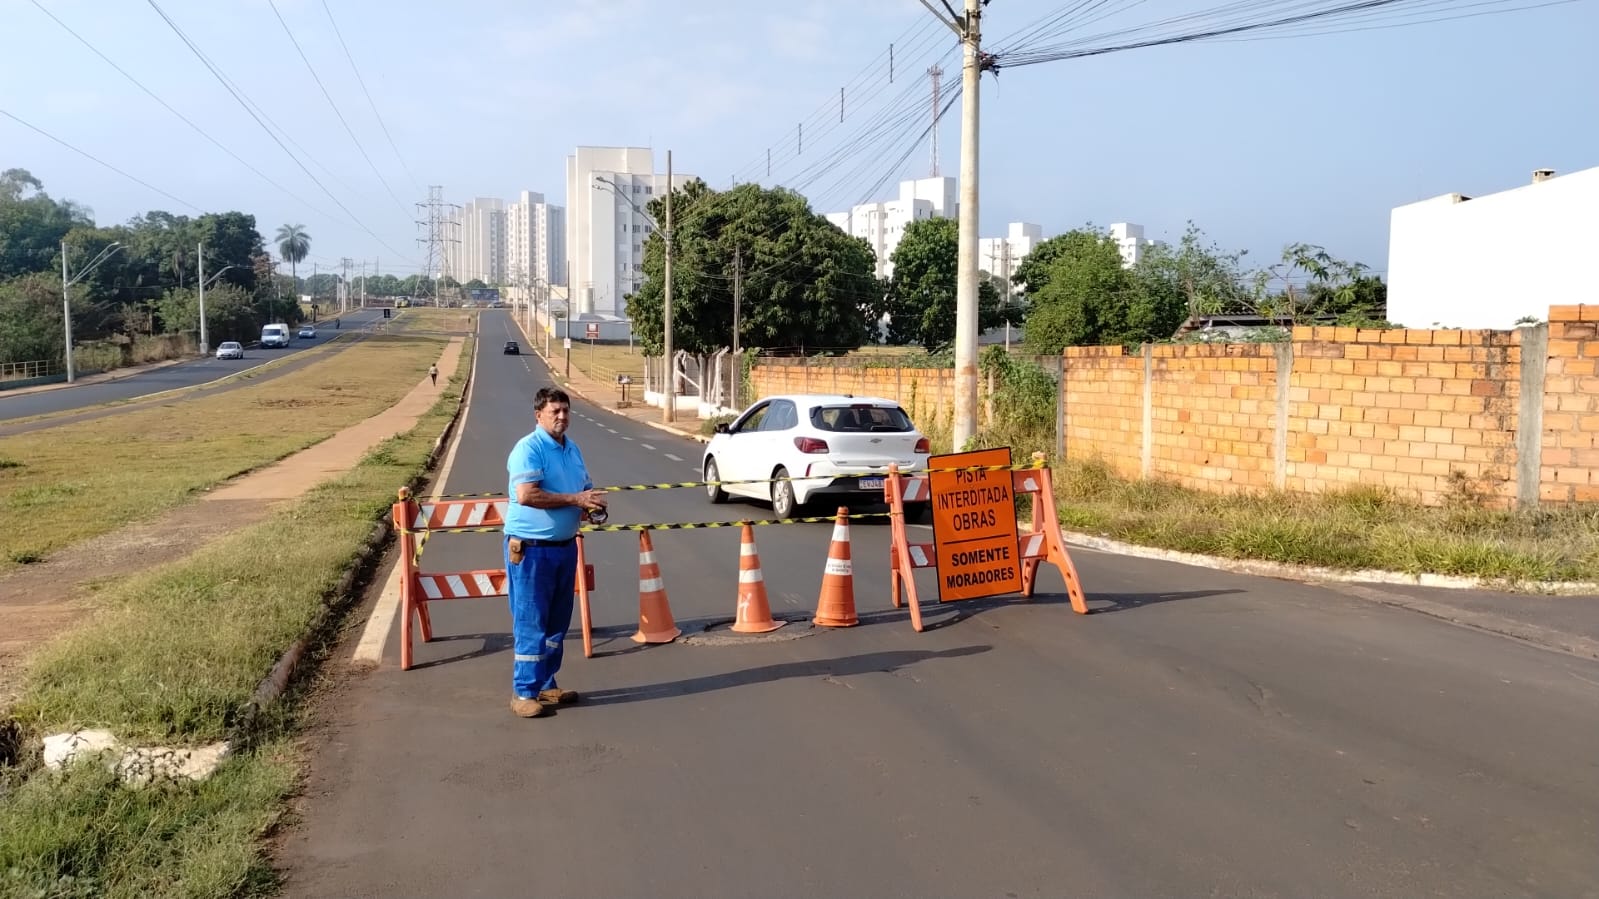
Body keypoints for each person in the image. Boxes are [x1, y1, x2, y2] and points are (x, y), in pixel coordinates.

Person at [503, 386, 608, 718]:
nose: (562, 416)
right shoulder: (528, 449)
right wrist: (575, 500)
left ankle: (547, 685)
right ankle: (523, 693)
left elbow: (584, 488)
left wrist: (590, 505)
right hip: (532, 550)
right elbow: (527, 495)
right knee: (531, 622)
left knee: (556, 624)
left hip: (564, 548)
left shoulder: (572, 448)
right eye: (555, 411)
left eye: (565, 410)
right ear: (539, 415)